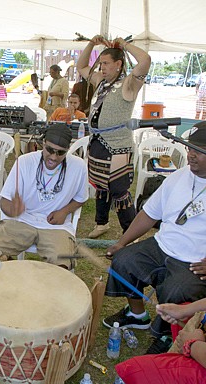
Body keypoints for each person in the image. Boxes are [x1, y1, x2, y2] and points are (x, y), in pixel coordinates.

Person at [103, 121, 206, 354]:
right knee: (124, 261)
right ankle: (137, 314)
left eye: (199, 150)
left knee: (176, 290)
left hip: (202, 262)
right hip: (162, 245)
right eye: (189, 148)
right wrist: (122, 242)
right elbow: (149, 214)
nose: (191, 155)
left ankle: (167, 335)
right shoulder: (179, 176)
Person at [0, 123, 88, 269]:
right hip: (22, 220)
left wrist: (64, 211)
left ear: (67, 150)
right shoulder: (25, 162)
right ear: (43, 143)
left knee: (61, 267)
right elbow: (4, 200)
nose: (54, 157)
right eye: (50, 150)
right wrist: (12, 210)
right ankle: (16, 272)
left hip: (55, 227)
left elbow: (81, 198)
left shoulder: (78, 166)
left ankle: (38, 284)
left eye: (60, 153)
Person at [76, 35, 151, 239]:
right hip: (98, 141)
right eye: (101, 63)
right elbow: (81, 66)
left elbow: (145, 61)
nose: (102, 67)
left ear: (119, 64)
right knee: (101, 185)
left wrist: (124, 45)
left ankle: (131, 233)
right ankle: (102, 223)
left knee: (119, 191)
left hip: (118, 146)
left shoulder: (129, 84)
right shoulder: (100, 81)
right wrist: (92, 43)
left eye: (106, 63)